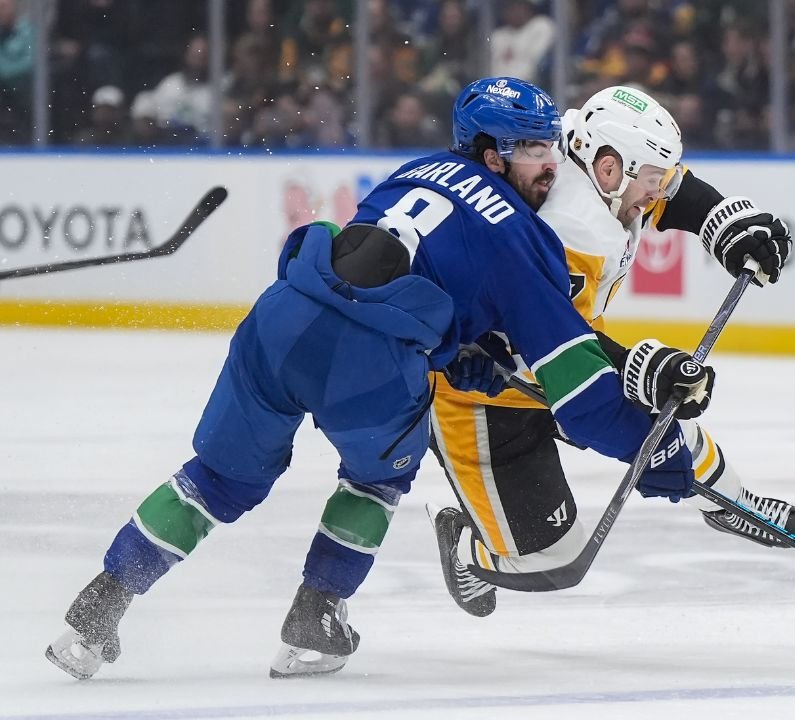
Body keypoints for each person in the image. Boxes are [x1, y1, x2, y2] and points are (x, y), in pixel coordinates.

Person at [46, 77, 714, 680]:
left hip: (280, 322)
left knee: (216, 479)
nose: (552, 164)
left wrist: (461, 352)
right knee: (376, 480)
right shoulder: (522, 238)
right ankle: (315, 616)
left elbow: (395, 272)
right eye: (536, 150)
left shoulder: (415, 171)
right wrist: (656, 450)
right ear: (493, 156)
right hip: (368, 365)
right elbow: (582, 397)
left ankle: (97, 609)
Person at [426, 85, 795, 618]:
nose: (657, 194)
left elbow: (675, 188)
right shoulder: (566, 228)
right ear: (608, 170)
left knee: (662, 426)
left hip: (560, 357)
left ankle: (732, 503)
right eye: (650, 182)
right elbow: (539, 339)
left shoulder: (580, 149)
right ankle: (465, 548)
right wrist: (636, 367)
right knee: (555, 562)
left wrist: (724, 220)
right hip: (484, 394)